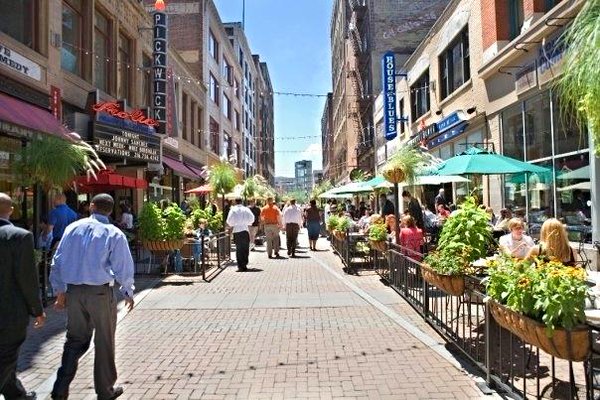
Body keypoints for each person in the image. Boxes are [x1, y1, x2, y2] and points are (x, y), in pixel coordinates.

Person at [49, 193, 134, 400]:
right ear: (110, 210)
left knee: (74, 340)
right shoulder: (114, 233)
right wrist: (128, 291)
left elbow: (57, 261)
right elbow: (123, 266)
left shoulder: (72, 229)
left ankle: (60, 388)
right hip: (100, 293)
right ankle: (104, 391)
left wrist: (59, 292)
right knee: (104, 341)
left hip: (74, 292)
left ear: (91, 206)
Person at [0, 193, 45, 400]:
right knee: (7, 355)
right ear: (10, 210)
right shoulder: (19, 236)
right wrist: (37, 309)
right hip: (10, 312)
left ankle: (15, 393)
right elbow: (27, 278)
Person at [226, 197, 256, 272]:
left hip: (237, 231)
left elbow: (229, 221)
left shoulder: (233, 210)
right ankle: (244, 264)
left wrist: (233, 224)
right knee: (245, 248)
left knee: (239, 249)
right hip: (245, 230)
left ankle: (240, 265)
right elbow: (252, 218)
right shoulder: (246, 209)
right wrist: (248, 223)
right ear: (242, 202)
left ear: (235, 202)